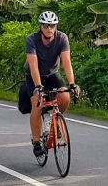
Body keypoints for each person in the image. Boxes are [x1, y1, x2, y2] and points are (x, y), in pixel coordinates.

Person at [24, 11, 80, 157]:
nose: (49, 28)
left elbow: (66, 62)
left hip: (51, 74)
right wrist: (38, 87)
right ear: (41, 26)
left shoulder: (62, 38)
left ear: (56, 26)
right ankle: (36, 142)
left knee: (65, 97)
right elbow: (33, 64)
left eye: (52, 26)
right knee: (38, 102)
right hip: (33, 75)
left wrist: (72, 83)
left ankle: (54, 118)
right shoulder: (32, 40)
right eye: (46, 25)